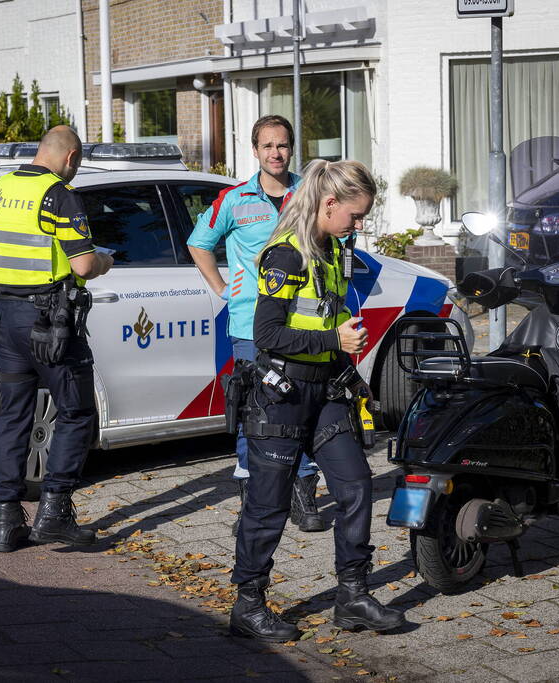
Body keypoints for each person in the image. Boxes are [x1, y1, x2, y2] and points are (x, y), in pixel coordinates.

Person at [229, 159, 404, 642]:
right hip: (281, 396)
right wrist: (333, 340)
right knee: (268, 504)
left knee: (356, 486)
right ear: (329, 204)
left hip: (326, 393)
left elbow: (328, 314)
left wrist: (349, 366)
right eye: (355, 215)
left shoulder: (333, 250)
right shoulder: (286, 255)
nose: (359, 224)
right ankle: (248, 605)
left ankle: (353, 596)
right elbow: (266, 335)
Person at [0, 125, 114, 553]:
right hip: (49, 321)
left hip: (3, 315)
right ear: (71, 157)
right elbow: (83, 265)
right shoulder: (59, 194)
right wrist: (104, 261)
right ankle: (54, 513)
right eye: (77, 163)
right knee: (76, 410)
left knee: (14, 412)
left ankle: (6, 521)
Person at [187, 115, 325, 534]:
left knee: (303, 407)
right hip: (250, 323)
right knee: (253, 412)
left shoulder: (312, 193)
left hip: (303, 323)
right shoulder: (233, 200)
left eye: (282, 145)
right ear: (255, 150)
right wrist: (221, 288)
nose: (275, 153)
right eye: (267, 146)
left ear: (291, 148)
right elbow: (199, 243)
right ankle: (254, 502)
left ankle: (303, 494)